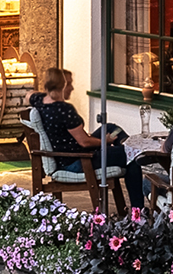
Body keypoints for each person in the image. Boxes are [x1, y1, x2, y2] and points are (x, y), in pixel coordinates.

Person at [30, 66, 132, 199]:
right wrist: (104, 142)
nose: (72, 88)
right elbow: (84, 142)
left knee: (110, 128)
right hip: (79, 161)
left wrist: (48, 94)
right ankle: (138, 209)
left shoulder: (40, 101)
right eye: (69, 84)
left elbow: (28, 95)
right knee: (131, 155)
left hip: (69, 155)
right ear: (62, 85)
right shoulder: (64, 110)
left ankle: (123, 146)